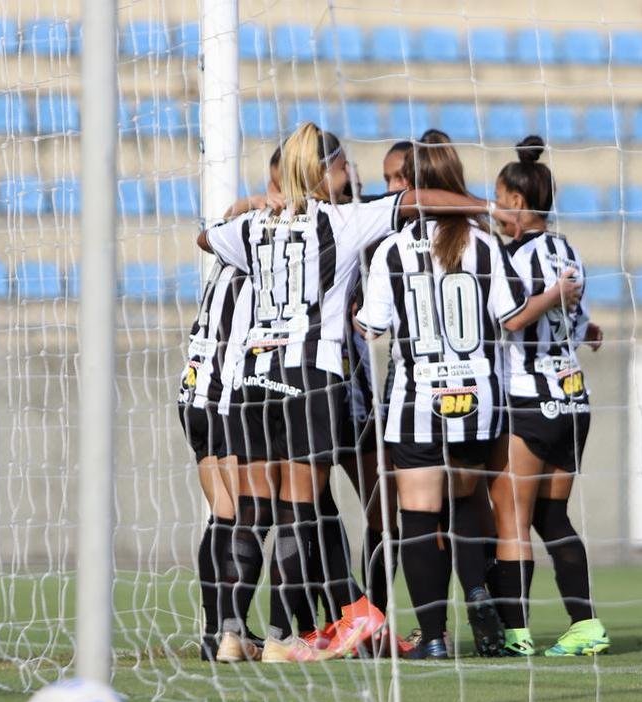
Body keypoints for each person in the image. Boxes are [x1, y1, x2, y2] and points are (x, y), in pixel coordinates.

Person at [198, 122, 517, 662]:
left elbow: (206, 236)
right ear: (323, 173)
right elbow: (414, 201)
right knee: (307, 509)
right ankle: (318, 625)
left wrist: (262, 204)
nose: (353, 175)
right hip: (313, 378)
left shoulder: (255, 226)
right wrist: (484, 204)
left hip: (253, 379)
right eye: (344, 166)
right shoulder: (344, 221)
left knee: (258, 508)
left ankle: (232, 632)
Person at [355, 132, 583, 659]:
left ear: (413, 188)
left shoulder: (392, 250)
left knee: (417, 515)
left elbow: (372, 328)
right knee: (467, 505)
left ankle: (433, 637)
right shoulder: (483, 243)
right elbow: (509, 318)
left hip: (416, 402)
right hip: (476, 402)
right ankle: (478, 592)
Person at [487, 135, 608, 657]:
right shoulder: (567, 249)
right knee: (551, 518)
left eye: (496, 199)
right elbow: (574, 320)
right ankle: (586, 625)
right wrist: (585, 325)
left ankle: (516, 633)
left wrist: (546, 303)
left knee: (510, 518)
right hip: (573, 399)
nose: (492, 209)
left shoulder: (512, 258)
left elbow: (514, 317)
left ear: (516, 202)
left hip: (528, 398)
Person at [176, 259, 245, 661]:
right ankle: (226, 630)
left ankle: (215, 630)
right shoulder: (258, 262)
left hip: (192, 389)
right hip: (222, 396)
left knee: (223, 512)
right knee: (241, 515)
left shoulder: (223, 262)